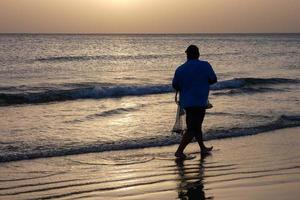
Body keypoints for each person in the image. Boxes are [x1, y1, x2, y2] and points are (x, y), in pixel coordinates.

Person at [172, 45, 217, 158]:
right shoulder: (205, 65)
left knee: (196, 126)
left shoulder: (180, 69)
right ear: (198, 54)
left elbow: (175, 85)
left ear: (187, 55)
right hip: (200, 101)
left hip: (187, 102)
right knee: (193, 128)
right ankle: (179, 151)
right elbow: (213, 79)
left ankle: (202, 148)